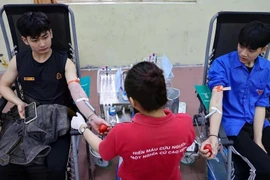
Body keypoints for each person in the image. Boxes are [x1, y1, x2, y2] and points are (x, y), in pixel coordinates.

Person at [0, 11, 109, 180]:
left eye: (45, 36)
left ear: (51, 33)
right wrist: (18, 102)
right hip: (28, 115)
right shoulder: (19, 61)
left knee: (56, 170)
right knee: (6, 167)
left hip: (59, 119)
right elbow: (3, 85)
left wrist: (91, 116)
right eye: (35, 40)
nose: (42, 43)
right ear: (25, 40)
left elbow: (76, 90)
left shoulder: (64, 61)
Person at [71, 61, 196, 180]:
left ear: (132, 101)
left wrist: (83, 127)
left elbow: (102, 150)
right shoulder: (185, 123)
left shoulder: (122, 133)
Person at [199, 21, 270, 180]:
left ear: (263, 49)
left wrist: (258, 140)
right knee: (264, 170)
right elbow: (217, 99)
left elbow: (260, 104)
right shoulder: (222, 65)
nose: (243, 53)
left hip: (257, 123)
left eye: (250, 50)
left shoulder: (266, 69)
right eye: (241, 46)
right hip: (233, 126)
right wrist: (213, 135)